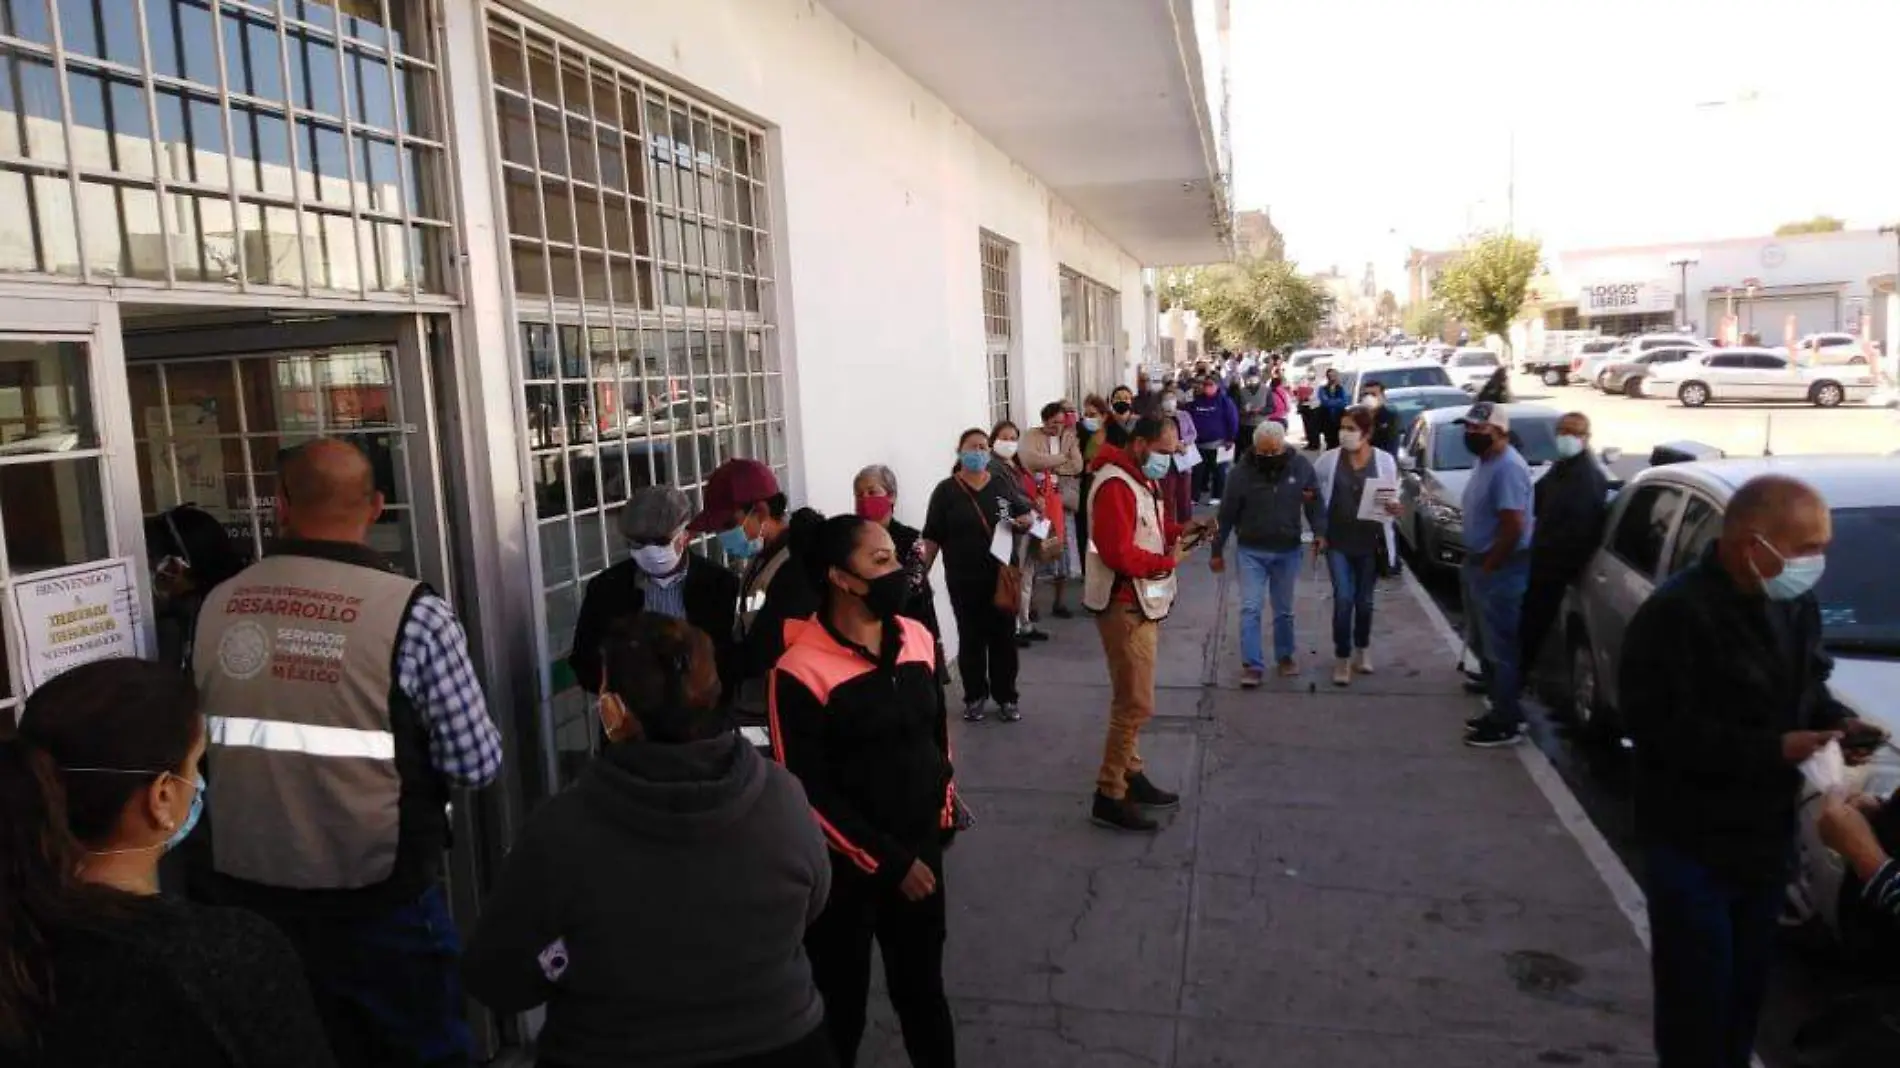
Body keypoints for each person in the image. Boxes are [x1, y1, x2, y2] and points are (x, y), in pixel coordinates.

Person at [190, 438, 501, 1068]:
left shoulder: (217, 605)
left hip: (246, 892)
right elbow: (476, 762)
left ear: (280, 506)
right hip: (378, 894)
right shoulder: (412, 614)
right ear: (378, 506)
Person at [466, 616, 835, 1068]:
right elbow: (814, 903)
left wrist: (566, 955)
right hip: (786, 1045)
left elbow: (499, 977)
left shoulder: (561, 831)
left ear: (613, 713)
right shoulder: (783, 796)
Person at [1618, 475, 1886, 1068]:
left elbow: (1808, 685)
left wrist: (1838, 727)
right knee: (1697, 1003)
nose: (1818, 561)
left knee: (1744, 997)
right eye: (1807, 547)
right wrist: (1776, 749)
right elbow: (1657, 731)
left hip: (1764, 845)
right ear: (1752, 544)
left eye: (1824, 546)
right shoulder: (1675, 616)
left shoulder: (1794, 604)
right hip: (1691, 846)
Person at [0, 658, 336, 1068]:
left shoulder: (22, 934)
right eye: (194, 765)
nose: (198, 781)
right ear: (161, 797)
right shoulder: (224, 958)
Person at [771, 515, 958, 1068]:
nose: (897, 572)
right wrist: (889, 863)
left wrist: (943, 813)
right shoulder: (797, 671)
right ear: (840, 579)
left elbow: (936, 740)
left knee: (923, 995)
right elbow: (806, 794)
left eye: (895, 558)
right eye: (880, 562)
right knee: (840, 1008)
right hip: (845, 877)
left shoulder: (918, 638)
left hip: (922, 858)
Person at [1083, 416, 1213, 832]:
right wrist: (1166, 563)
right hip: (1125, 604)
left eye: (1173, 452)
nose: (1169, 460)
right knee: (1135, 704)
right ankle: (1109, 793)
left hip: (1138, 602)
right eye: (1164, 451)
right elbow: (1118, 552)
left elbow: (1148, 531)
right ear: (1140, 444)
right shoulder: (1116, 483)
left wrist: (1181, 530)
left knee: (1132, 698)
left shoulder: (1138, 478)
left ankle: (1130, 774)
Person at [569, 484, 740, 701]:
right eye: (637, 543)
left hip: (703, 718)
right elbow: (584, 660)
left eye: (660, 542)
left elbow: (731, 657)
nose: (649, 551)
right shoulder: (606, 589)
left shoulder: (720, 585)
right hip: (632, 719)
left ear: (686, 535)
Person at [690, 459, 824, 732]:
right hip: (762, 705)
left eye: (730, 523)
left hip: (793, 710)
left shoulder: (797, 567)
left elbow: (766, 648)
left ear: (760, 510)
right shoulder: (763, 557)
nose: (722, 534)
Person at [922, 428, 1033, 722]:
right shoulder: (945, 491)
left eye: (983, 447)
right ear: (960, 452)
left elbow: (1027, 513)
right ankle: (975, 696)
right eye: (973, 447)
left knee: (1004, 640)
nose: (979, 452)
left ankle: (1007, 697)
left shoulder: (1000, 484)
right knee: (970, 639)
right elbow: (932, 536)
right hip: (963, 579)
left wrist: (1024, 520)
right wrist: (921, 574)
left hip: (1000, 578)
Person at [1210, 421, 1323, 686]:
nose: (1270, 457)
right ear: (1255, 449)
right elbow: (1225, 515)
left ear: (1283, 445)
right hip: (1251, 550)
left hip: (1287, 549)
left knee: (1284, 610)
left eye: (1275, 452)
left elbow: (1315, 502)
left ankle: (1285, 656)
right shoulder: (1240, 473)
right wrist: (1217, 550)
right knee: (1250, 608)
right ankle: (1252, 665)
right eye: (1265, 452)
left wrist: (1320, 532)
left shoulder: (1301, 466)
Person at [1451, 404, 1536, 748]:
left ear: (1499, 431)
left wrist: (1489, 566)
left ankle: (1507, 721)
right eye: (1468, 428)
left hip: (1500, 567)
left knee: (1500, 648)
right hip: (1479, 563)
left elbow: (1514, 525)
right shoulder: (1485, 461)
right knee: (1485, 646)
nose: (1470, 435)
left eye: (1478, 429)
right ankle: (1500, 710)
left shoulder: (1508, 468)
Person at [1313, 407, 1401, 687]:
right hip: (1337, 542)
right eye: (1342, 427)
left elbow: (1393, 500)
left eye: (1351, 428)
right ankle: (1342, 656)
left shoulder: (1385, 461)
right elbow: (1313, 494)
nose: (1344, 434)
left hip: (1370, 543)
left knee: (1364, 602)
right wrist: (1318, 530)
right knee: (1343, 599)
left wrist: (1395, 508)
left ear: (1367, 433)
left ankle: (1362, 648)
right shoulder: (1329, 460)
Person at [1519, 413, 1608, 677]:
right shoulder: (1563, 468)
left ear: (1585, 438)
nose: (1566, 438)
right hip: (1541, 560)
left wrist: (1553, 564)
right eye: (1562, 432)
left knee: (1532, 627)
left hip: (1554, 567)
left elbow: (1580, 531)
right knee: (1527, 625)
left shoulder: (1587, 478)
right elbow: (1537, 495)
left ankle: (1514, 687)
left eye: (1573, 433)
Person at [146, 505, 249, 674]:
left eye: (152, 559)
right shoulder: (229, 607)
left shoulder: (193, 628)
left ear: (179, 567)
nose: (149, 570)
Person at [990, 420, 1059, 646]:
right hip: (1013, 527)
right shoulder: (993, 467)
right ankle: (1015, 627)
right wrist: (1029, 503)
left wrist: (1036, 502)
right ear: (994, 440)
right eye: (1004, 438)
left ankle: (1025, 621)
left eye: (1013, 438)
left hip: (1030, 524)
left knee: (1027, 574)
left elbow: (1024, 488)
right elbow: (1007, 496)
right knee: (1015, 576)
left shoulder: (1015, 463)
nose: (1009, 443)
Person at [853, 465, 940, 638]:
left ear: (891, 496)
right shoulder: (853, 542)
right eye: (859, 495)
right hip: (871, 636)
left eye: (872, 492)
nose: (865, 500)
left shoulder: (913, 540)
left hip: (914, 632)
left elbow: (910, 589)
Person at [1021, 402, 1085, 619]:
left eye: (1061, 422)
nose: (1058, 427)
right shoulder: (1032, 436)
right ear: (1045, 420)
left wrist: (1049, 464)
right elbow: (1031, 460)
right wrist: (1060, 459)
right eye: (1054, 422)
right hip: (1039, 502)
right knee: (1037, 550)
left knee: (1062, 551)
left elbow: (1077, 466)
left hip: (1062, 500)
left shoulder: (1068, 437)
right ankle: (1033, 604)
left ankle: (1059, 602)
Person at [1187, 376, 1240, 505]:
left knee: (1219, 471)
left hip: (1219, 443)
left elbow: (1233, 420)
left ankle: (1217, 496)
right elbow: (1188, 416)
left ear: (1217, 386)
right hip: (1198, 444)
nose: (1208, 387)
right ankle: (1194, 497)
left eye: (1211, 384)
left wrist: (1230, 438)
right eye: (1206, 384)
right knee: (1197, 472)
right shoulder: (1197, 401)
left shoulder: (1225, 401)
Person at [1159, 387, 1198, 522]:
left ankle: (1186, 528)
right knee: (1167, 497)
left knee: (1185, 496)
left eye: (1171, 398)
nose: (1169, 402)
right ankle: (1169, 528)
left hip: (1184, 459)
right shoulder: (1158, 419)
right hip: (1166, 460)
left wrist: (1183, 442)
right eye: (1166, 399)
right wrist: (1174, 445)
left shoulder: (1184, 415)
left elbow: (1193, 433)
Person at [1358, 380, 1402, 456]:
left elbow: (1391, 446)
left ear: (1383, 397)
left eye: (1373, 394)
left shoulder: (1390, 417)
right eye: (1366, 394)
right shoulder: (1357, 417)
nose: (1369, 398)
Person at [1316, 368, 1349, 450]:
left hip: (1339, 418)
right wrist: (1337, 401)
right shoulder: (1322, 389)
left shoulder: (1341, 388)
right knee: (1329, 442)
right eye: (1330, 376)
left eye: (1334, 375)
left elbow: (1344, 402)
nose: (1332, 378)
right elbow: (1324, 402)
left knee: (1339, 441)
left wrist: (1331, 402)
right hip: (1327, 419)